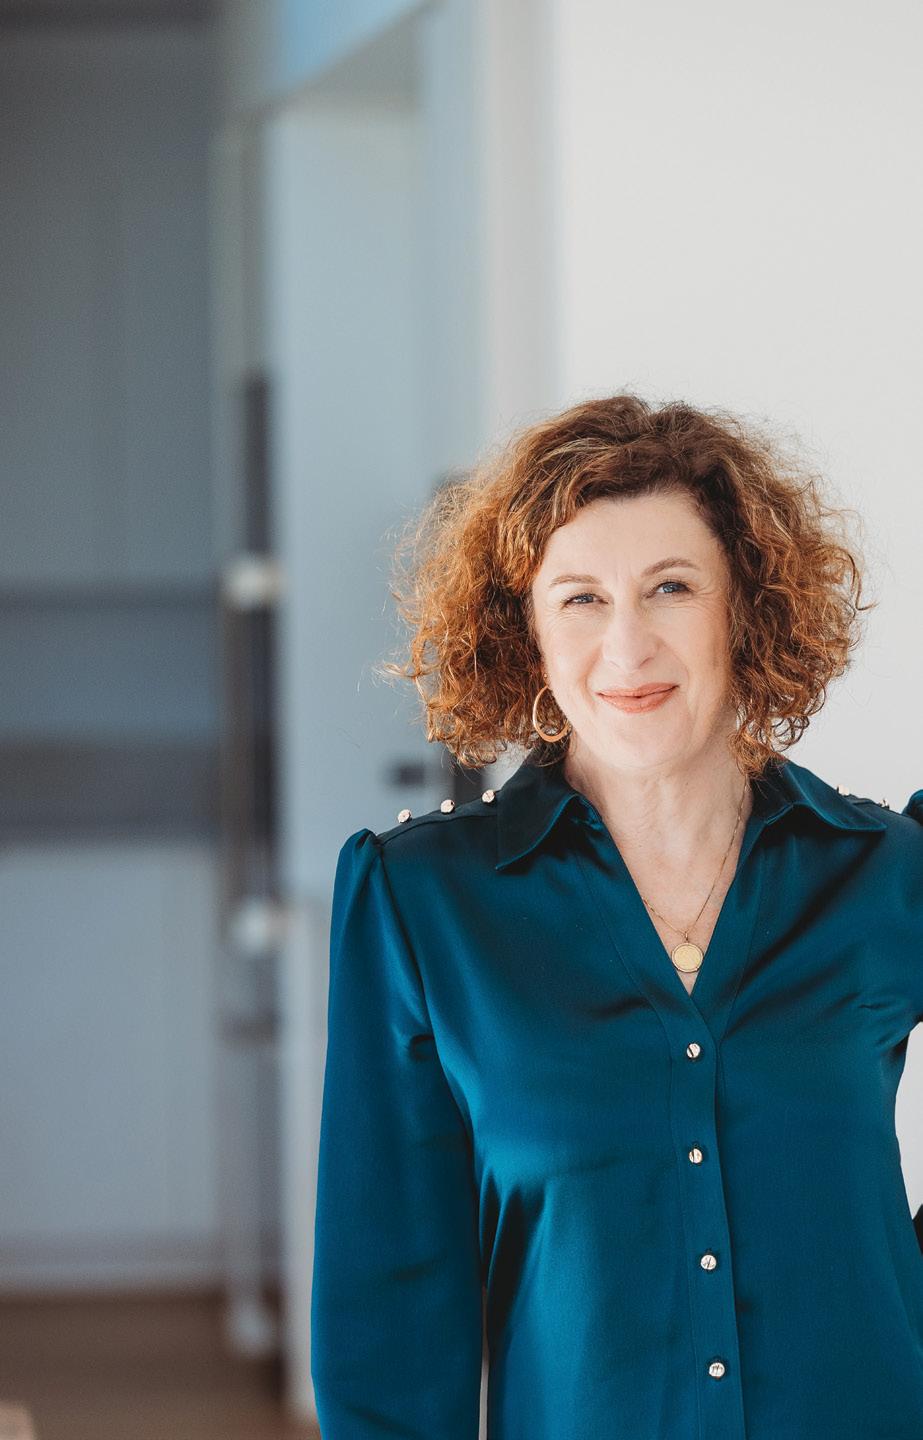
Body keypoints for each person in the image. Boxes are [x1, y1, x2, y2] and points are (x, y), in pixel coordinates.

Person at [310, 394, 923, 1439]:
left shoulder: (884, 873)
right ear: (526, 632)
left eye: (669, 588)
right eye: (580, 599)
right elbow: (389, 1318)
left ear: (743, 607)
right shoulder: (422, 903)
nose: (626, 646)